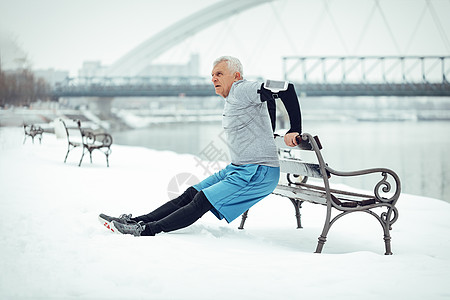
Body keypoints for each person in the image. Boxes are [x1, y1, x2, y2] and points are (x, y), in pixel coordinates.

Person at [99, 56, 302, 236]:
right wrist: (270, 128)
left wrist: (295, 129)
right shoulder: (235, 96)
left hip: (259, 171)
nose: (213, 78)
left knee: (202, 200)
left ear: (236, 76)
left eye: (219, 74)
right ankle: (137, 221)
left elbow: (286, 87)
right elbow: (270, 100)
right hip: (239, 168)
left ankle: (146, 231)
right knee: (191, 193)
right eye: (212, 74)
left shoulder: (242, 88)